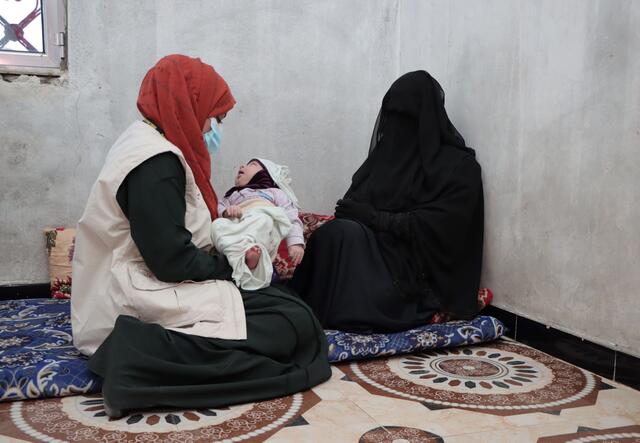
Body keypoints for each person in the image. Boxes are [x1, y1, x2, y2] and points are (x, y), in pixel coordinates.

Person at [71, 54, 330, 418]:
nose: (216, 128)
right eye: (217, 117)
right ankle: (134, 360)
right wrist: (231, 268)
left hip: (153, 277)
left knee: (289, 307)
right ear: (189, 106)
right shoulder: (154, 162)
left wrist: (235, 263)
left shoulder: (148, 142)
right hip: (134, 291)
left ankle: (150, 360)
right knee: (292, 327)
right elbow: (170, 260)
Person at [291, 71, 484, 334]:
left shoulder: (458, 168)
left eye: (405, 117)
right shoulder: (387, 159)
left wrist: (375, 218)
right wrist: (354, 211)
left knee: (345, 236)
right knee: (333, 235)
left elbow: (443, 229)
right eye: (391, 115)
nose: (396, 125)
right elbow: (355, 204)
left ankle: (339, 314)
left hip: (416, 273)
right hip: (375, 251)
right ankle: (306, 312)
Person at [212, 158, 305, 290]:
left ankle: (252, 257)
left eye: (252, 164)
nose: (242, 165)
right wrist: (227, 212)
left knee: (264, 220)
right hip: (240, 228)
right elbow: (220, 209)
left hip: (262, 229)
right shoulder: (231, 195)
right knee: (217, 225)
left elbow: (291, 217)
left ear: (265, 174)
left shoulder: (274, 192)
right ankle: (242, 258)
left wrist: (295, 243)